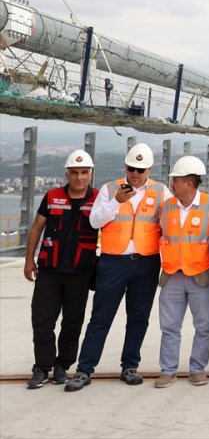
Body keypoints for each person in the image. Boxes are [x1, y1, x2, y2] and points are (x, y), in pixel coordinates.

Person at [66, 143, 168, 392]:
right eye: (131, 168)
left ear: (149, 170)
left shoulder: (161, 191)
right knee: (101, 317)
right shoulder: (110, 189)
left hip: (146, 261)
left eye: (141, 170)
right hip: (113, 262)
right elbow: (94, 220)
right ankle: (85, 369)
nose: (135, 173)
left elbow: (169, 224)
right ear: (125, 166)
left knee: (138, 317)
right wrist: (115, 202)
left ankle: (130, 365)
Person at [24, 150, 99, 390]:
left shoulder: (99, 199)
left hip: (80, 272)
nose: (79, 177)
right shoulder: (52, 196)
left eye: (84, 172)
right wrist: (29, 260)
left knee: (72, 322)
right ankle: (42, 367)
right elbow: (36, 228)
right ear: (67, 174)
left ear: (91, 174)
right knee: (42, 320)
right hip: (49, 271)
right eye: (74, 172)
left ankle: (62, 366)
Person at [156, 156, 209, 389]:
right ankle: (167, 370)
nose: (172, 184)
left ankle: (197, 369)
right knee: (169, 326)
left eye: (176, 180)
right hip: (172, 274)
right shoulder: (167, 206)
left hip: (201, 275)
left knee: (203, 326)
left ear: (189, 183)